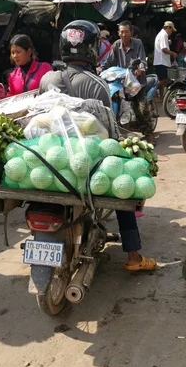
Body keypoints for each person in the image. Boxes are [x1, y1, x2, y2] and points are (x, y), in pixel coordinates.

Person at [40, 20, 156, 272]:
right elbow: (109, 135)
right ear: (93, 48)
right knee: (122, 175)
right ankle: (133, 256)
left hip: (48, 159)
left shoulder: (47, 78)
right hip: (86, 164)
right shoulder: (97, 84)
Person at [103, 20, 156, 140]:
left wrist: (140, 70)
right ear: (118, 33)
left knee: (142, 109)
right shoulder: (116, 45)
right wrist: (100, 68)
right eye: (121, 32)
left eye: (126, 32)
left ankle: (149, 134)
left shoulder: (138, 43)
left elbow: (142, 60)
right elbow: (109, 61)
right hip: (121, 83)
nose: (124, 34)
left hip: (137, 83)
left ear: (131, 32)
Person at [153, 21, 178, 90]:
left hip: (160, 61)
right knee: (165, 80)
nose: (171, 32)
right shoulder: (164, 35)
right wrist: (173, 53)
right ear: (168, 28)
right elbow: (164, 49)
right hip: (162, 62)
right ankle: (152, 90)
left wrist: (167, 42)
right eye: (171, 30)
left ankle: (161, 97)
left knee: (162, 80)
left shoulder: (161, 34)